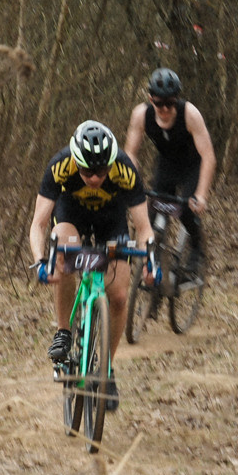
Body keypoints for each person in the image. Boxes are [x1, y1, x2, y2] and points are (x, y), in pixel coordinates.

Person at [29, 120, 156, 403]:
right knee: (63, 253)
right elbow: (38, 224)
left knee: (120, 297)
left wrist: (151, 261)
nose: (94, 178)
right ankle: (64, 331)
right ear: (75, 159)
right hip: (71, 213)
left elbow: (145, 228)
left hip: (111, 219)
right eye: (86, 170)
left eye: (101, 171)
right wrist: (40, 260)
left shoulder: (125, 169)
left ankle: (106, 370)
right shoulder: (60, 165)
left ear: (111, 164)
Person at [121, 67, 215, 278]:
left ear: (177, 100)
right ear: (150, 99)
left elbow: (209, 156)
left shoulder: (190, 114)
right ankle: (154, 275)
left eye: (170, 103)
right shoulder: (141, 115)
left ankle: (197, 251)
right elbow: (130, 154)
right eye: (159, 103)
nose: (164, 108)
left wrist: (201, 194)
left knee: (187, 208)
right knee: (151, 215)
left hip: (193, 166)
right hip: (167, 164)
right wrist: (132, 183)